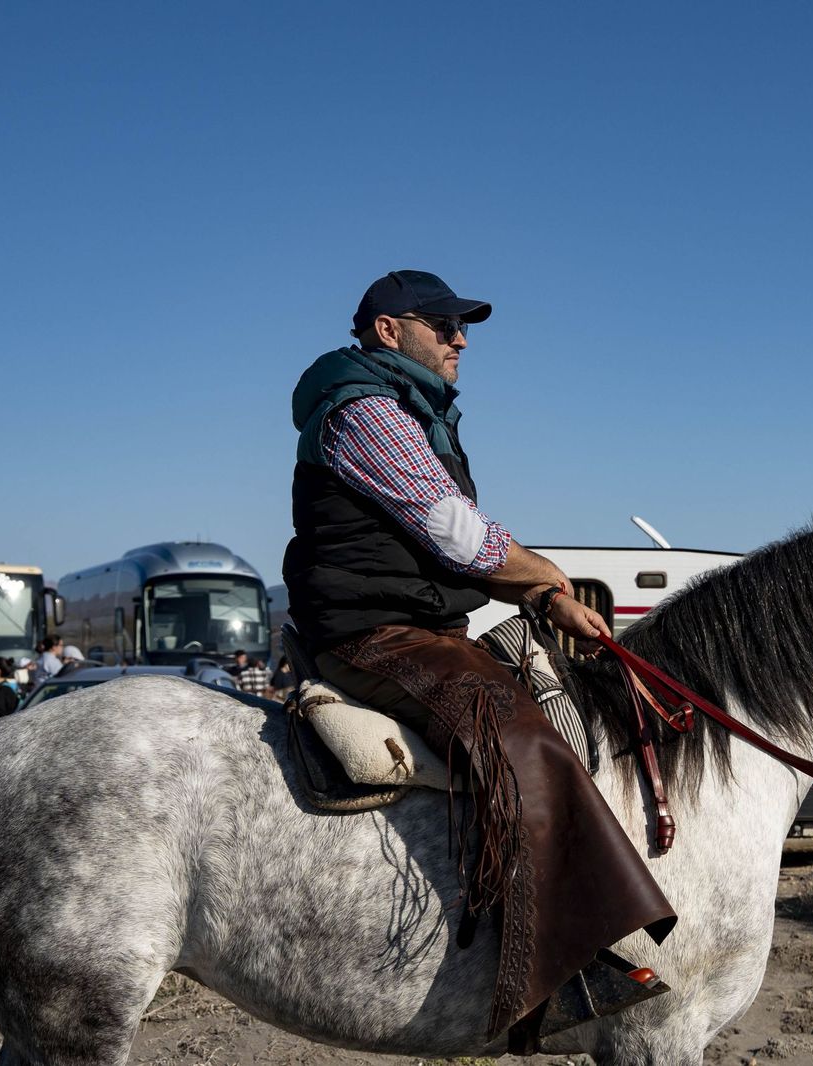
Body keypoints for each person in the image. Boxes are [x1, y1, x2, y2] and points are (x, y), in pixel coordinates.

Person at [281, 269, 674, 1037]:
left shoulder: (408, 407)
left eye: (461, 326)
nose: (461, 338)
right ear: (388, 330)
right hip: (377, 633)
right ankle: (554, 970)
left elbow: (456, 543)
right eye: (441, 323)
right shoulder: (365, 409)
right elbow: (454, 531)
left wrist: (539, 594)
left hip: (419, 624)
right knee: (519, 737)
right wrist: (548, 580)